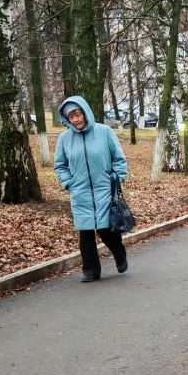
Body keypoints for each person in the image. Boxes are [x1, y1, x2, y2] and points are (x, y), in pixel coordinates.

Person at [53, 96, 130, 282]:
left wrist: (117, 177)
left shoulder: (104, 132)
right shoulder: (64, 139)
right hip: (80, 192)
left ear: (85, 112)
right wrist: (68, 182)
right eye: (70, 117)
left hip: (104, 189)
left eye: (77, 115)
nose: (75, 120)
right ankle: (91, 271)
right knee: (85, 232)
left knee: (106, 230)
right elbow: (60, 165)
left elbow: (118, 158)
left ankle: (120, 254)